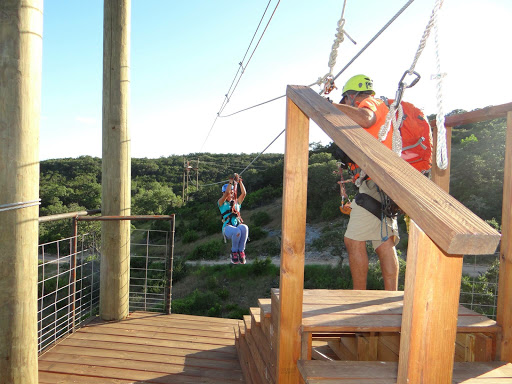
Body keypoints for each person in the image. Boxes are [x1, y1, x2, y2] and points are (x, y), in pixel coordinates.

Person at [333, 74, 399, 291]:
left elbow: (366, 118)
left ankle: (358, 297)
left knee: (353, 241)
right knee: (383, 243)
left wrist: (329, 106)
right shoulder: (384, 108)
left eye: (344, 100)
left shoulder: (369, 103)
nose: (344, 105)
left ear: (352, 96)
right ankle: (391, 299)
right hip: (385, 181)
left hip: (376, 181)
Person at [218, 173, 249, 264]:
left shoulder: (236, 203)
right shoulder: (221, 203)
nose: (230, 194)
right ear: (223, 193)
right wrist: (231, 182)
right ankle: (234, 251)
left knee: (244, 227)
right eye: (228, 193)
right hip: (227, 228)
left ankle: (241, 251)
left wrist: (239, 182)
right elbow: (227, 193)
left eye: (232, 192)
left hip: (236, 225)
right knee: (236, 231)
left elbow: (244, 193)